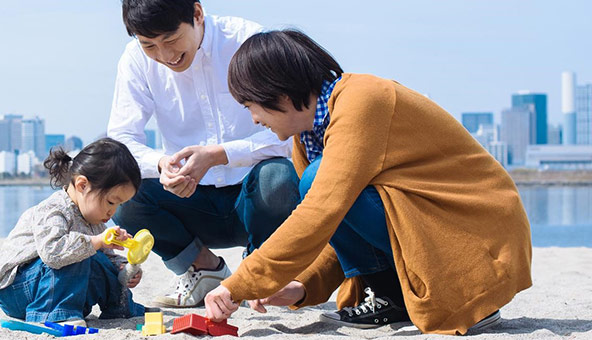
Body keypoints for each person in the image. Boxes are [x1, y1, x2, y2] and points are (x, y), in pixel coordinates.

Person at [203, 29, 532, 335]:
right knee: (319, 181)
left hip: (476, 234)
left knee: (318, 181)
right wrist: (300, 285)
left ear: (282, 95)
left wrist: (240, 283)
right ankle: (391, 297)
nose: (254, 119)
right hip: (429, 223)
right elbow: (332, 222)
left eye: (251, 106)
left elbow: (321, 210)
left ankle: (464, 293)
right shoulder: (308, 137)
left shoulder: (362, 100)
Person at [107, 0, 300, 308]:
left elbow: (291, 135)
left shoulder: (247, 42)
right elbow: (122, 141)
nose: (165, 56)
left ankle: (261, 272)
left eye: (170, 40)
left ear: (197, 14)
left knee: (278, 176)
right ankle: (203, 269)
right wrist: (163, 163)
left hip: (254, 198)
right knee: (124, 192)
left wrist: (218, 155)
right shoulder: (136, 60)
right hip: (189, 199)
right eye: (150, 45)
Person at [0, 138, 147, 326]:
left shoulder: (94, 221)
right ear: (82, 185)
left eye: (120, 204)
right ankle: (57, 314)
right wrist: (97, 241)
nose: (113, 212)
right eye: (111, 202)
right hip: (16, 290)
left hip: (54, 287)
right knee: (76, 251)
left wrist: (124, 269)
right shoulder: (53, 209)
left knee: (97, 258)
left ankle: (119, 307)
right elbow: (53, 253)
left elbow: (104, 258)